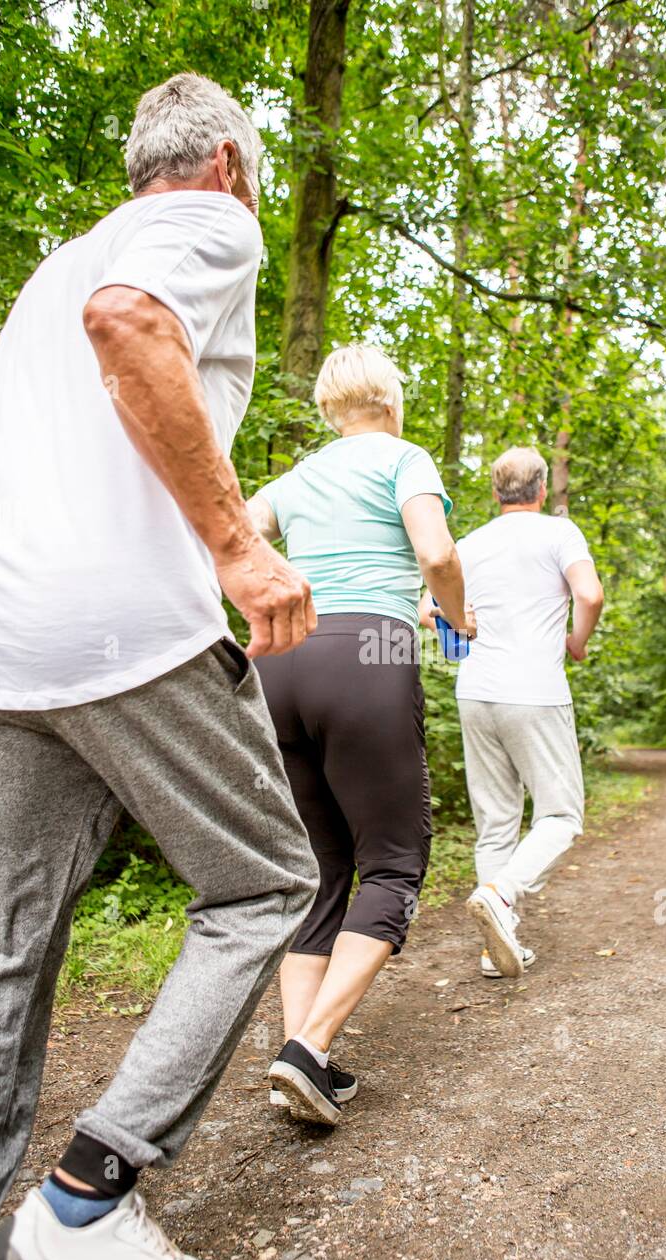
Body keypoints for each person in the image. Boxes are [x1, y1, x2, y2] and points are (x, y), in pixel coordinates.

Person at [0, 74, 320, 1260]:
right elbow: (131, 322)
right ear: (226, 158)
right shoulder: (202, 222)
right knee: (265, 880)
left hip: (2, 640)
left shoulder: (48, 269)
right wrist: (237, 545)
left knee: (2, 945)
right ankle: (85, 1199)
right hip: (124, 628)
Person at [248, 344, 472, 1126]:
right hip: (366, 662)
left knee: (320, 867)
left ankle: (300, 1056)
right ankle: (308, 1048)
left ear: (325, 409)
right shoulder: (404, 457)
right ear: (393, 399)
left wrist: (267, 604)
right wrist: (456, 610)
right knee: (395, 859)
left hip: (281, 666)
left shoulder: (298, 476)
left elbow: (234, 536)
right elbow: (436, 551)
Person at [422, 446, 603, 979]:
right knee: (561, 814)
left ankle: (494, 948)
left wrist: (459, 625)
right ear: (542, 489)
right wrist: (577, 641)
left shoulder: (468, 544)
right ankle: (501, 896)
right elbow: (589, 594)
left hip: (475, 692)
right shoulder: (558, 533)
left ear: (496, 492)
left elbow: (426, 609)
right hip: (535, 691)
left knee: (496, 822)